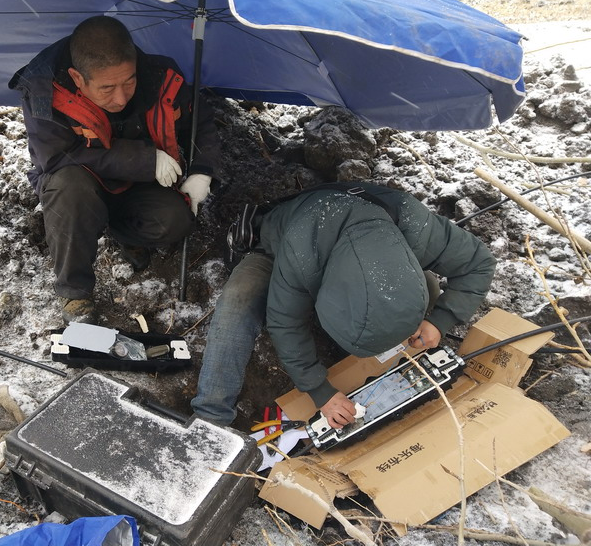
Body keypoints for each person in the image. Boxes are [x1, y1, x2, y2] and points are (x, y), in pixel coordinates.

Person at [191, 182, 496, 428]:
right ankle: (210, 418)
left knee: (429, 287)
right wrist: (320, 392)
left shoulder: (416, 227)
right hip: (280, 246)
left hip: (370, 232)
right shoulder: (301, 254)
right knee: (237, 301)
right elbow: (286, 322)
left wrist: (440, 320)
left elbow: (479, 263)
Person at [9, 16, 221, 324]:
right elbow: (55, 159)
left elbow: (200, 121)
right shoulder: (43, 91)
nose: (121, 98)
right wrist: (146, 159)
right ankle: (75, 292)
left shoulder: (162, 75)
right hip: (78, 184)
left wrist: (203, 170)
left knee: (176, 221)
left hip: (138, 185)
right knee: (68, 188)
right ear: (77, 78)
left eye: (129, 82)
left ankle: (120, 230)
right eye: (107, 88)